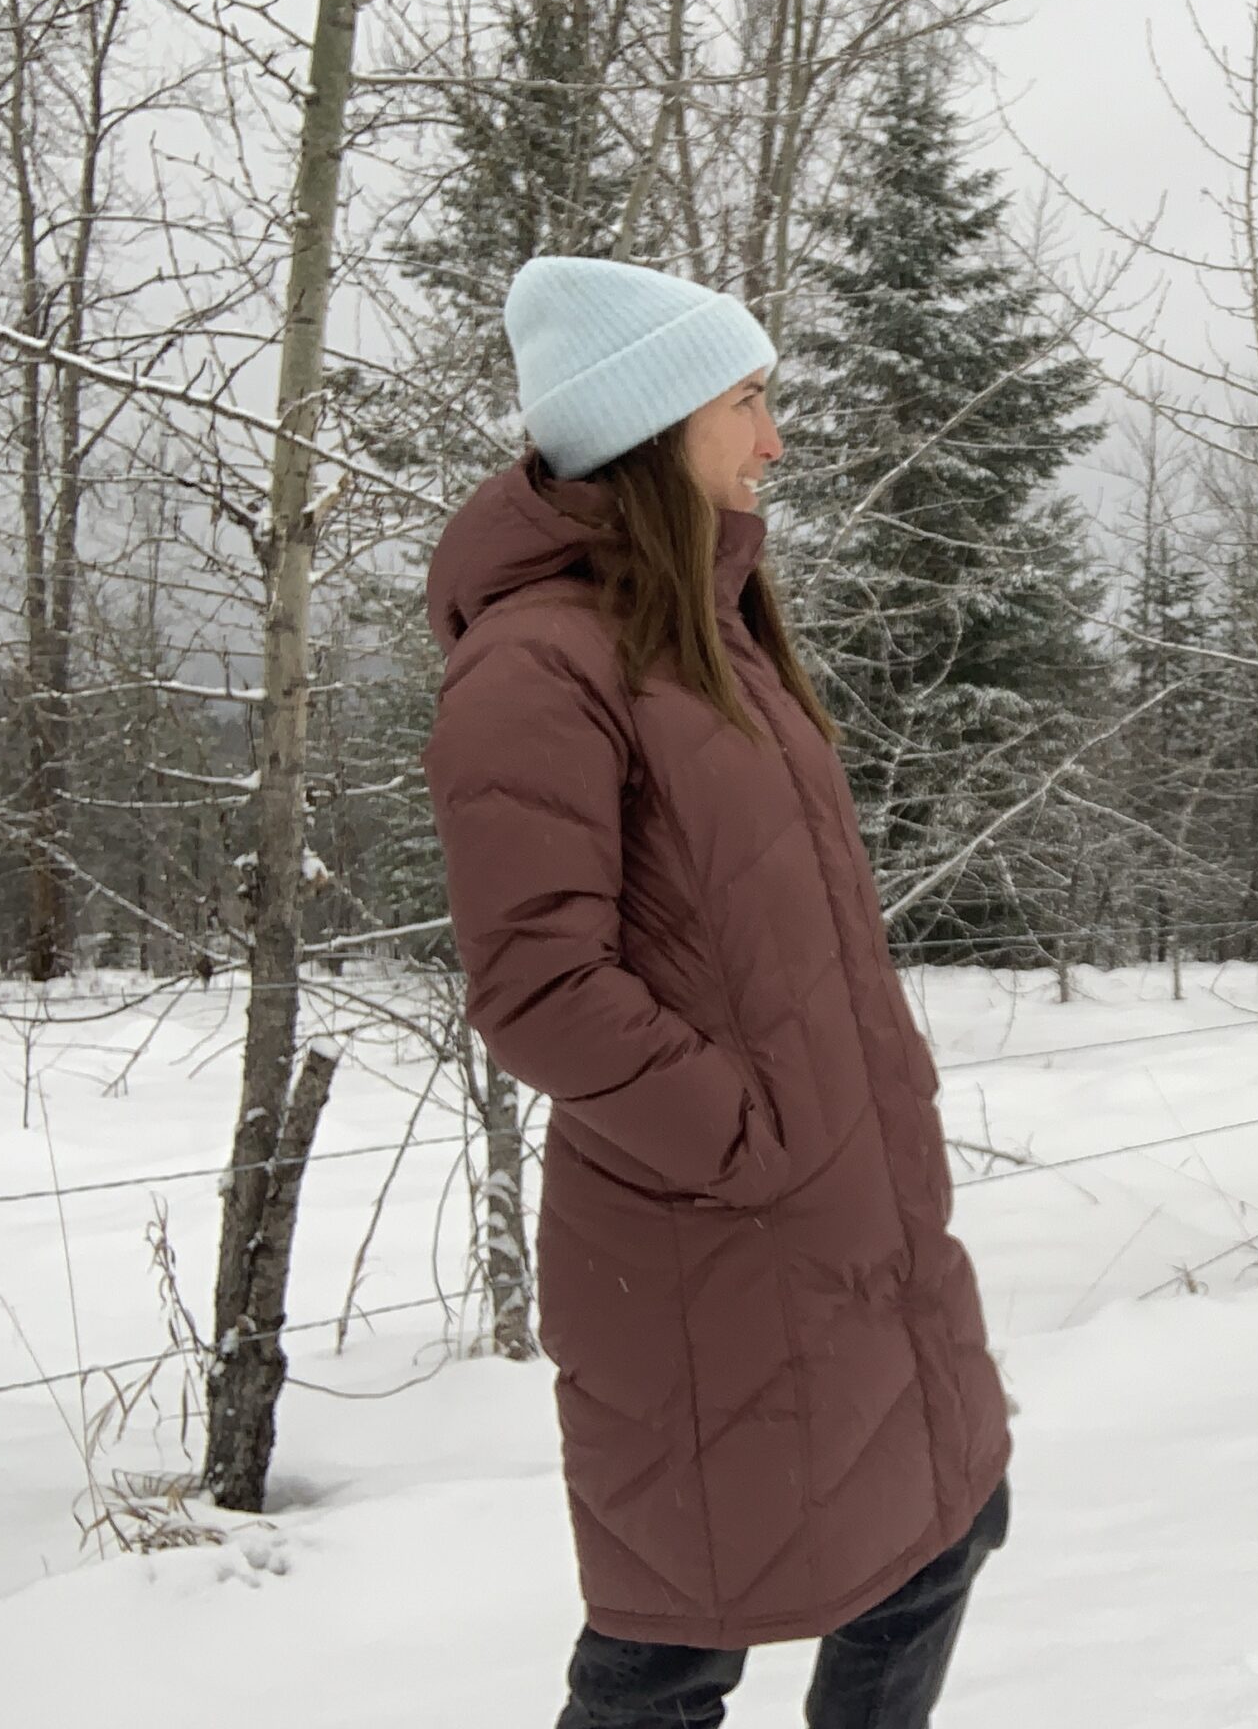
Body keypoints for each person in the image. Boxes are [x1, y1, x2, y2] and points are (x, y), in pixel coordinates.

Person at [422, 255, 1011, 1729]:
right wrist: (752, 1141)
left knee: (940, 1532)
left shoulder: (719, 640)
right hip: (705, 1248)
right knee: (674, 1648)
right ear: (655, 421)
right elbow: (540, 986)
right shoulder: (536, 666)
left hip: (847, 1227)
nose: (774, 437)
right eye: (749, 401)